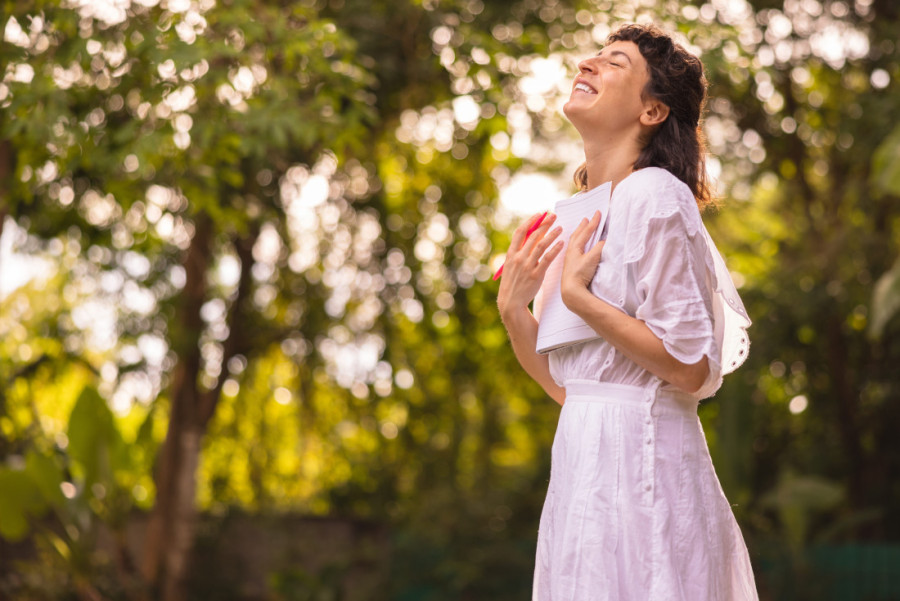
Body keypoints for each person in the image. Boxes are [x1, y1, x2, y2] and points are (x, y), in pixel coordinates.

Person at [496, 23, 759, 600]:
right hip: (582, 470)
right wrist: (516, 312)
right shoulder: (579, 213)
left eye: (614, 63)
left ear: (652, 112)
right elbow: (574, 390)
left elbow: (691, 368)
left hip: (645, 472)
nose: (588, 63)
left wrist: (582, 301)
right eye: (594, 55)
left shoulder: (657, 196)